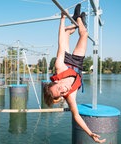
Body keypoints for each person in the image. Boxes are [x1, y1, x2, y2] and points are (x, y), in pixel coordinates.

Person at [43, 4, 106, 143]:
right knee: (84, 34)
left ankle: (75, 21)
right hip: (77, 65)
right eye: (60, 94)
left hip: (65, 62)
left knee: (65, 33)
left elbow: (60, 43)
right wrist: (91, 134)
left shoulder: (58, 67)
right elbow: (76, 116)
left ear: (57, 82)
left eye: (59, 89)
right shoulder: (70, 95)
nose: (63, 91)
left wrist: (62, 18)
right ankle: (78, 19)